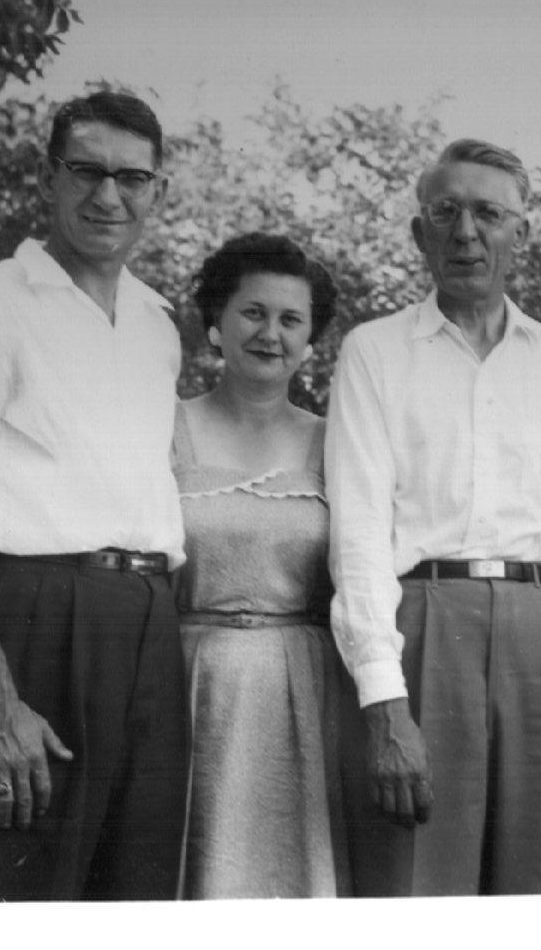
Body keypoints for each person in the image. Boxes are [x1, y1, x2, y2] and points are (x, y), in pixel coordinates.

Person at [0, 91, 187, 901]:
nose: (108, 195)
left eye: (132, 178)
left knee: (133, 896)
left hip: (145, 624)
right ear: (48, 180)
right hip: (28, 621)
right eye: (86, 171)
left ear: (158, 192)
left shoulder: (157, 325)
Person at [325, 138, 541, 896]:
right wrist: (383, 701)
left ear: (520, 234)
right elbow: (358, 536)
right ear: (418, 233)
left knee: (531, 884)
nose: (466, 232)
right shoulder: (374, 353)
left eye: (488, 213)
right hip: (425, 627)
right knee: (417, 878)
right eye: (446, 212)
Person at [173, 233, 352, 898]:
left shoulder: (335, 440)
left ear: (311, 340)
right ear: (216, 321)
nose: (269, 333)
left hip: (302, 689)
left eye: (290, 320)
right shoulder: (167, 429)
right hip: (187, 683)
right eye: (252, 312)